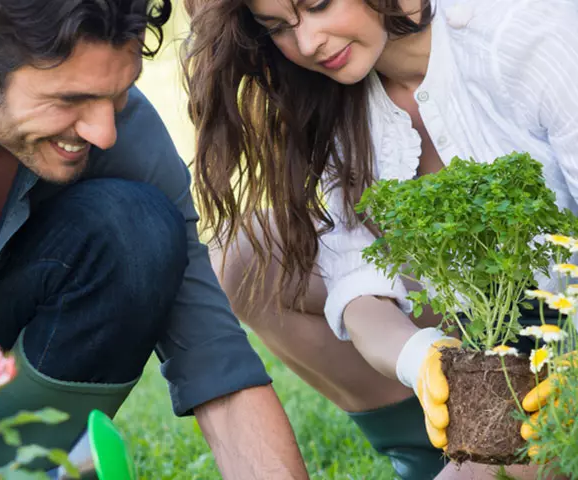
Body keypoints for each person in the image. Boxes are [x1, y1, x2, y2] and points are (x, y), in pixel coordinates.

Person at [0, 1, 312, 479]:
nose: (104, 131)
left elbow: (216, 363)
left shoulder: (115, 128)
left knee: (134, 228)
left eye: (118, 94)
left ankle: (10, 467)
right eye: (69, 99)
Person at [182, 0, 578, 478]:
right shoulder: (333, 98)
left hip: (561, 343)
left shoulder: (522, 35)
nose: (308, 43)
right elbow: (356, 284)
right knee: (249, 256)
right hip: (489, 327)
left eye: (318, 5)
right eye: (279, 28)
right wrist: (420, 358)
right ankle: (429, 450)